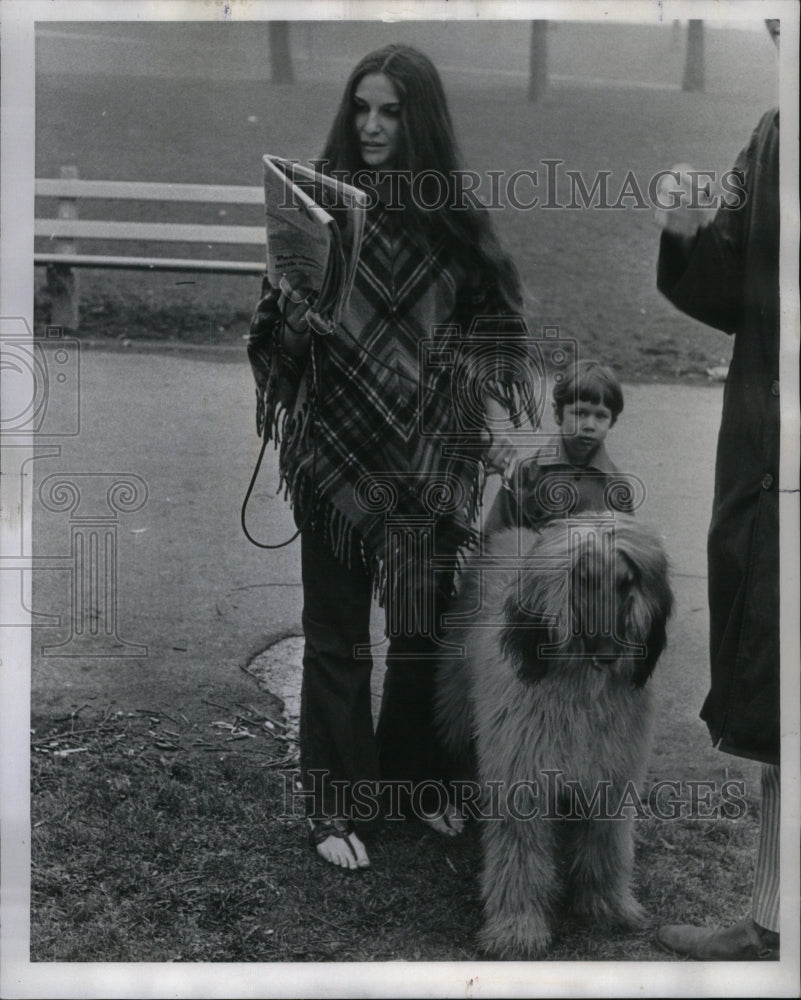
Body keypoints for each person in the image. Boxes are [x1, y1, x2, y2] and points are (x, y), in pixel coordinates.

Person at [247, 45, 535, 870]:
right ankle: (335, 806)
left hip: (427, 461)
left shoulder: (454, 220)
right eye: (362, 109)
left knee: (415, 634)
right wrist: (297, 326)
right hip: (334, 451)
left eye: (390, 112)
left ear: (420, 122)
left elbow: (503, 333)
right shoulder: (315, 207)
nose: (371, 126)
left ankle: (411, 783)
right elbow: (271, 340)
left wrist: (455, 374)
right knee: (336, 637)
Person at [653, 20, 780, 960]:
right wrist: (686, 231)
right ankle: (776, 919)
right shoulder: (773, 135)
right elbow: (729, 289)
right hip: (773, 457)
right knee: (782, 684)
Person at [482, 360, 631, 537]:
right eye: (580, 413)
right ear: (557, 413)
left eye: (601, 416)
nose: (590, 425)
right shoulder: (527, 472)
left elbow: (628, 550)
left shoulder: (617, 486)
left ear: (612, 421)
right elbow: (494, 539)